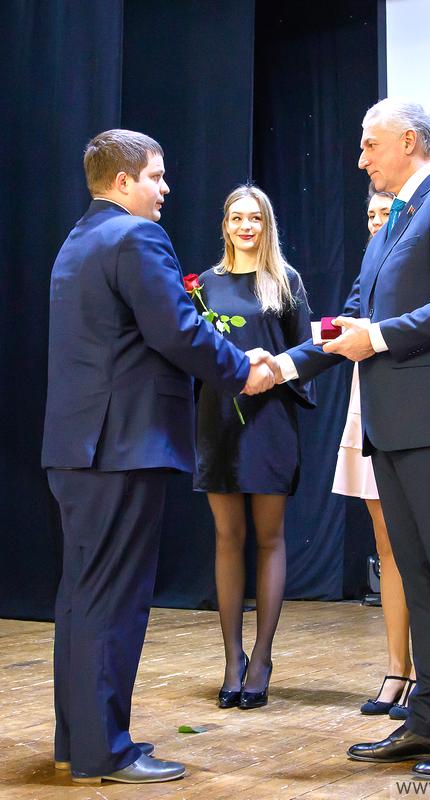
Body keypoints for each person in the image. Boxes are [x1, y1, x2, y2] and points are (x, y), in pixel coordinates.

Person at [272, 99, 430, 779]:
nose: (360, 160)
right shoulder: (390, 225)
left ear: (408, 141)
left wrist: (378, 338)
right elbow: (349, 319)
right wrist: (282, 366)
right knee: (422, 580)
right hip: (394, 429)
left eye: (368, 145)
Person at [41, 130, 274, 785]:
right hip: (123, 445)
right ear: (123, 181)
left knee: (82, 597)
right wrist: (241, 371)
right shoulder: (136, 237)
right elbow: (175, 329)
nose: (165, 188)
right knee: (114, 601)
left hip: (77, 446)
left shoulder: (76, 240)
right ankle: (105, 753)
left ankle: (78, 742)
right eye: (156, 176)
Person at [193, 185, 315, 709]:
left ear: (267, 225)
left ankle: (262, 658)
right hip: (218, 419)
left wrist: (270, 371)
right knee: (227, 537)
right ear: (225, 225)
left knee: (268, 538)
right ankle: (232, 659)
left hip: (270, 420)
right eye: (237, 218)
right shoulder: (203, 285)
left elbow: (307, 352)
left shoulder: (285, 281)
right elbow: (192, 352)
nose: (247, 226)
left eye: (256, 218)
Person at [332, 185, 415, 721]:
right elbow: (344, 323)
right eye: (370, 214)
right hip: (368, 409)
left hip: (414, 412)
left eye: (387, 212)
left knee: (419, 550)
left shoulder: (416, 260)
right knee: (387, 548)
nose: (377, 221)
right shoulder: (368, 265)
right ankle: (396, 670)